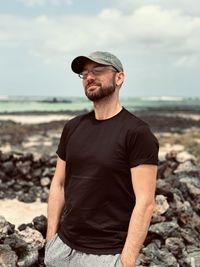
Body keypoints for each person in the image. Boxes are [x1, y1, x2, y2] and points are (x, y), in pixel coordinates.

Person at [44, 51, 159, 267]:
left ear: (119, 77)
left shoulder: (137, 132)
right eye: (85, 73)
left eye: (98, 70)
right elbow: (58, 184)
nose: (89, 76)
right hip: (63, 248)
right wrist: (51, 240)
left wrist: (126, 261)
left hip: (106, 254)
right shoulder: (73, 127)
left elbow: (146, 202)